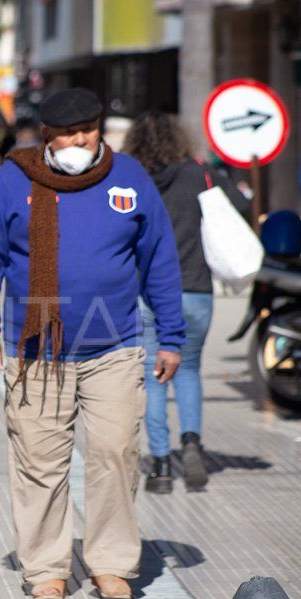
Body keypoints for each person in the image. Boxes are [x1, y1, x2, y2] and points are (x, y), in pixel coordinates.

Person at [0, 88, 187, 599]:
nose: (80, 140)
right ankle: (45, 566)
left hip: (116, 347)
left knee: (116, 454)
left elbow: (159, 262)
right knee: (39, 461)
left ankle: (111, 562)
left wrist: (171, 336)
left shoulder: (129, 178)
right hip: (35, 349)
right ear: (47, 135)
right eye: (68, 132)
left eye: (88, 129)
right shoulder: (13, 180)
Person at [122, 111, 251, 494]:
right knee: (189, 368)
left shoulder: (131, 177)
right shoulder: (198, 173)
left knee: (153, 375)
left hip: (145, 290)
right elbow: (240, 208)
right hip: (194, 287)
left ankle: (160, 465)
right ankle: (191, 442)